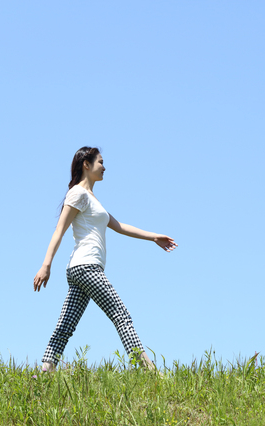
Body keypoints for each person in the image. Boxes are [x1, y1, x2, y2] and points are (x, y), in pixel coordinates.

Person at [33, 146, 177, 372]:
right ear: (86, 165)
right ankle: (148, 371)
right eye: (100, 162)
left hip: (80, 270)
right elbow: (59, 230)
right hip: (87, 267)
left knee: (66, 325)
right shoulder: (77, 194)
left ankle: (45, 371)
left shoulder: (92, 199)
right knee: (121, 315)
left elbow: (119, 226)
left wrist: (154, 237)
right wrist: (45, 265)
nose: (104, 166)